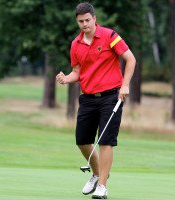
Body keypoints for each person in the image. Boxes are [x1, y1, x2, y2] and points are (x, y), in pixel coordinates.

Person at [56, 2, 136, 199]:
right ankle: (97, 173)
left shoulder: (110, 36)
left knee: (106, 141)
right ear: (77, 22)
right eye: (80, 21)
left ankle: (102, 186)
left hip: (111, 96)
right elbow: (77, 72)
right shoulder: (76, 44)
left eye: (87, 20)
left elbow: (130, 59)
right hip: (88, 98)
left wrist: (125, 85)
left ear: (94, 19)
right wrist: (66, 78)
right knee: (82, 140)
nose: (84, 24)